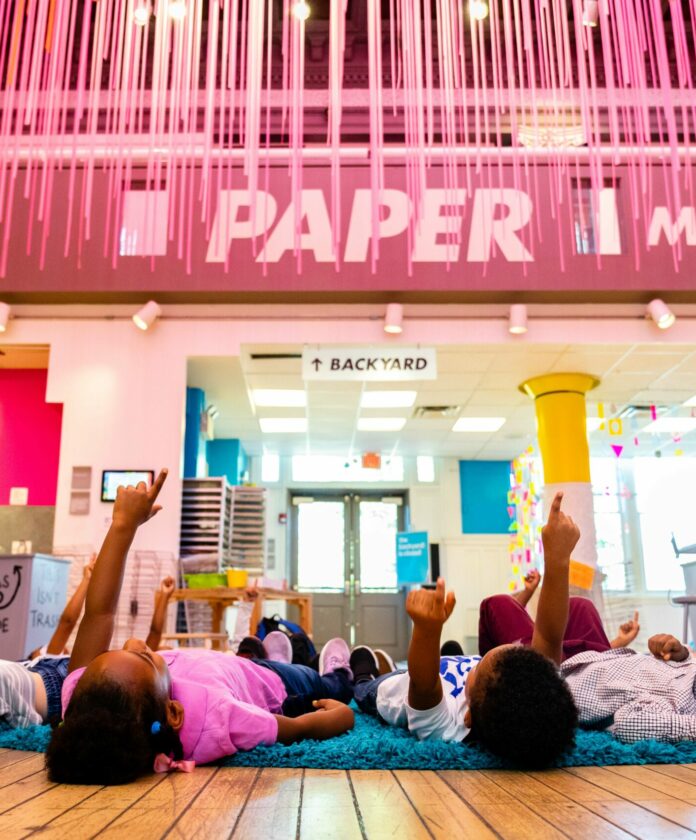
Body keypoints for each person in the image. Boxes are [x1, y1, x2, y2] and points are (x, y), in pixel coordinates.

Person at [46, 470, 356, 786]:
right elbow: (299, 729)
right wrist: (340, 714)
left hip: (228, 667)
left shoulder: (84, 698)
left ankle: (268, 652)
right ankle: (342, 673)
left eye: (115, 649)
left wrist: (123, 526)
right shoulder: (217, 719)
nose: (135, 644)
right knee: (319, 684)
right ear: (173, 713)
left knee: (255, 655)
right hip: (270, 683)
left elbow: (99, 614)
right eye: (144, 658)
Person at [353, 492, 580, 768]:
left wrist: (426, 630)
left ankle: (363, 673)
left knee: (367, 687)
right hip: (449, 670)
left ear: (469, 716)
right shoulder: (538, 694)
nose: (523, 644)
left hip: (395, 687)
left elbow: (423, 684)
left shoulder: (447, 728)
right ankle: (455, 656)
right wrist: (558, 559)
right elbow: (548, 636)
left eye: (480, 665)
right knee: (457, 658)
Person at [0, 557, 95, 729]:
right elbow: (67, 622)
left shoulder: (48, 665)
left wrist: (87, 580)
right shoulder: (44, 662)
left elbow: (67, 622)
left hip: (20, 691)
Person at [478, 569, 640, 659]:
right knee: (499, 602)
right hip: (548, 669)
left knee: (579, 605)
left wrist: (620, 641)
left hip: (557, 671)